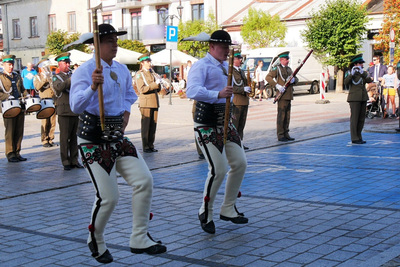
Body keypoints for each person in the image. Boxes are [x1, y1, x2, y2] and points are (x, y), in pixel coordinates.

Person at [70, 23, 166, 264]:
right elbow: (75, 106)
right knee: (109, 197)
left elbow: (129, 95)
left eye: (115, 40)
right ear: (96, 44)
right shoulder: (84, 70)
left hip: (117, 136)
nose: (115, 44)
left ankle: (139, 237)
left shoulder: (122, 69)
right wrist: (93, 87)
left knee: (144, 180)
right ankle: (96, 238)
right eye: (109, 40)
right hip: (92, 139)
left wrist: (125, 112)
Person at [186, 30, 248, 234]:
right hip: (206, 123)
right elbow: (192, 90)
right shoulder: (201, 66)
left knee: (240, 163)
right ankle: (206, 210)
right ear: (212, 47)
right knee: (218, 169)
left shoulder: (225, 66)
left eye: (228, 48)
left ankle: (228, 207)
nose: (227, 52)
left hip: (225, 121)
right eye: (223, 48)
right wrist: (217, 94)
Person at [52, 52, 83, 170]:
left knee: (75, 137)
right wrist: (71, 79)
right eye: (65, 63)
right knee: (65, 137)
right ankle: (65, 161)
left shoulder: (72, 75)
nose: (68, 64)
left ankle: (74, 160)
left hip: (74, 109)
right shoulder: (57, 77)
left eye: (68, 62)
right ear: (59, 64)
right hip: (64, 110)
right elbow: (59, 88)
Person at [0, 55, 28, 162]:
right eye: (9, 65)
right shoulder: (1, 77)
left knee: (19, 130)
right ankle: (10, 153)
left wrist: (26, 96)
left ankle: (17, 152)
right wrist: (6, 96)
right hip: (8, 107)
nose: (11, 67)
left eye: (12, 64)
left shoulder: (16, 76)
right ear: (4, 65)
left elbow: (22, 89)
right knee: (10, 130)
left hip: (19, 105)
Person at [266, 51, 298, 142]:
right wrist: (276, 85)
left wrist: (294, 80)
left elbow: (296, 78)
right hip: (282, 95)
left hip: (288, 95)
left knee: (287, 116)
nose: (288, 61)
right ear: (281, 60)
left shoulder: (289, 69)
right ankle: (280, 135)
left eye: (288, 59)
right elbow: (268, 77)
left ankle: (286, 133)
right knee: (281, 116)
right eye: (286, 59)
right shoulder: (277, 69)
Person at [344, 54, 373, 144]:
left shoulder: (362, 73)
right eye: (360, 63)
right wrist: (351, 75)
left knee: (361, 119)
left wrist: (362, 72)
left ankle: (359, 136)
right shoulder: (349, 72)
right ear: (355, 64)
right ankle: (354, 138)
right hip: (354, 98)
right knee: (355, 119)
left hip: (363, 97)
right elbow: (346, 82)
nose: (362, 65)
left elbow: (369, 80)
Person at [135, 53, 161, 153]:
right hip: (145, 103)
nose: (149, 63)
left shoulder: (152, 73)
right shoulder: (139, 74)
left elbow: (157, 88)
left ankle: (151, 144)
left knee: (153, 126)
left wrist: (159, 84)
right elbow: (142, 89)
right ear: (142, 63)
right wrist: (155, 84)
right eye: (147, 61)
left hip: (154, 101)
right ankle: (145, 146)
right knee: (146, 126)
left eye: (150, 61)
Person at [34, 59, 57, 147]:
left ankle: (50, 139)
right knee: (45, 122)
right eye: (44, 67)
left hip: (52, 100)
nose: (46, 68)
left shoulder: (51, 75)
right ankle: (44, 140)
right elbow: (38, 87)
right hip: (44, 100)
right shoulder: (38, 76)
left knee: (52, 122)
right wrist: (44, 79)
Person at [231, 51, 251, 150]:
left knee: (242, 124)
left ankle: (240, 142)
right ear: (234, 60)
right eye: (238, 58)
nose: (240, 60)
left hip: (244, 100)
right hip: (236, 101)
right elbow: (231, 87)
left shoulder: (241, 71)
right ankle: (234, 144)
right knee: (235, 124)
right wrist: (242, 89)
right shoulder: (230, 72)